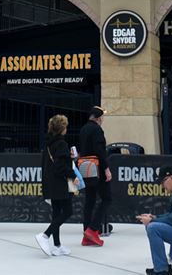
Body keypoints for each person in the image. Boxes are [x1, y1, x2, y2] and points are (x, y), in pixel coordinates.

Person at [36, 114, 75, 258]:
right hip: (60, 184)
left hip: (50, 183)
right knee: (68, 211)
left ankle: (57, 246)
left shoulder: (49, 143)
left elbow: (52, 164)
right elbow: (60, 167)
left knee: (57, 213)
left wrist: (68, 157)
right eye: (65, 126)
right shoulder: (62, 144)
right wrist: (74, 175)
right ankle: (45, 236)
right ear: (62, 128)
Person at [77, 105, 111, 247]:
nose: (103, 119)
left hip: (85, 167)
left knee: (90, 199)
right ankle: (93, 229)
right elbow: (100, 151)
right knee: (107, 198)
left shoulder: (83, 129)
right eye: (102, 116)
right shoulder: (97, 130)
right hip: (97, 168)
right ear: (98, 118)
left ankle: (86, 233)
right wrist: (106, 169)